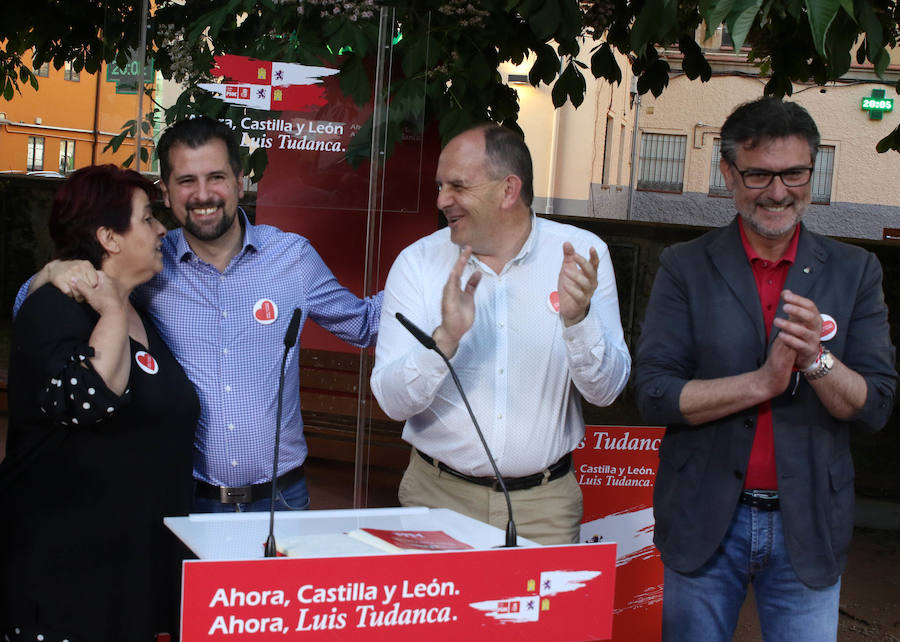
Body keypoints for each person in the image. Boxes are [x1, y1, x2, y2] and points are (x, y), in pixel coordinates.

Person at [18, 117, 382, 513]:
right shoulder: (149, 265)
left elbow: (362, 324)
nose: (203, 194)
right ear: (166, 192)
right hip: (186, 498)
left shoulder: (292, 259)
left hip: (281, 499)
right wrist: (52, 271)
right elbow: (34, 310)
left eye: (217, 177)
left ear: (240, 182)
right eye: (187, 181)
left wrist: (438, 274)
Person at [634, 98, 897, 641]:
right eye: (759, 174)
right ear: (728, 172)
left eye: (794, 173)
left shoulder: (855, 271)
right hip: (705, 519)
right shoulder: (685, 266)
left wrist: (815, 360)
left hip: (809, 523)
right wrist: (763, 383)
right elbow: (654, 393)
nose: (778, 192)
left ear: (813, 170)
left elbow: (875, 404)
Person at [370, 124, 631, 545]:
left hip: (543, 510)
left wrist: (578, 321)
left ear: (509, 190)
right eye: (440, 186)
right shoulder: (417, 264)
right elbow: (392, 402)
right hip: (436, 498)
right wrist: (445, 340)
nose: (441, 200)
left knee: (541, 615)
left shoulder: (582, 255)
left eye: (457, 186)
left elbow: (607, 392)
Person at [0, 165, 200, 641]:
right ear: (109, 236)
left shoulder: (143, 313)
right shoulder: (53, 308)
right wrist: (108, 305)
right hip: (66, 577)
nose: (161, 229)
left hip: (127, 570)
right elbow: (91, 398)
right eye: (148, 218)